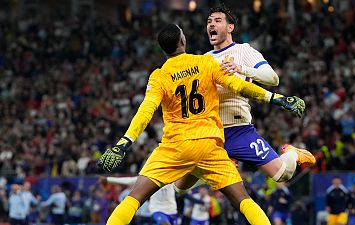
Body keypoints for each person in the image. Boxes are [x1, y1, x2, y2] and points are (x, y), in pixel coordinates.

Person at [97, 23, 305, 225]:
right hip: (210, 145)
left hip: (175, 147)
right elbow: (239, 85)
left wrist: (123, 144)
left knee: (135, 198)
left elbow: (146, 110)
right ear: (183, 40)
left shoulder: (159, 76)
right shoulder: (205, 63)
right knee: (244, 201)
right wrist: (277, 99)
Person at [173, 4, 315, 194]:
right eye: (209, 22)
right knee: (179, 188)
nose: (211, 25)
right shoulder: (204, 59)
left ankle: (291, 153)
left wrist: (241, 68)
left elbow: (273, 78)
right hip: (210, 133)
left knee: (283, 175)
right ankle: (223, 166)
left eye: (217, 20)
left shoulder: (243, 51)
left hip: (239, 130)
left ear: (230, 27)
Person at [100, 176, 178, 225]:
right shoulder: (151, 177)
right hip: (157, 210)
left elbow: (182, 188)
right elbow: (129, 180)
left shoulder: (172, 176)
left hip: (172, 211)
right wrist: (108, 179)